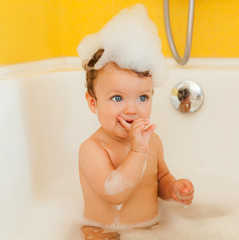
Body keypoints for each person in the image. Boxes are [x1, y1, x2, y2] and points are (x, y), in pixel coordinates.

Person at [77, 4, 194, 234]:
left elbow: (161, 178)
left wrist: (173, 189)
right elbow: (114, 193)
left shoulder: (154, 142)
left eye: (142, 97)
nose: (132, 109)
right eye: (117, 97)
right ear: (93, 102)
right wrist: (138, 151)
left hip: (149, 230)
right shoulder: (92, 149)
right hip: (103, 232)